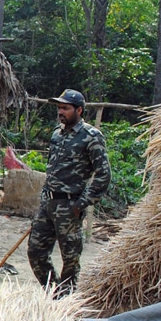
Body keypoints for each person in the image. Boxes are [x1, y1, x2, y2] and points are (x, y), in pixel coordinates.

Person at [27, 89, 111, 296]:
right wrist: (45, 198)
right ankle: (54, 293)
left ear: (79, 110)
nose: (60, 112)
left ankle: (66, 302)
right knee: (35, 252)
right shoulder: (57, 134)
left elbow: (104, 175)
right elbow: (53, 170)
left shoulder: (91, 137)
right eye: (59, 108)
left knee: (70, 259)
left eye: (65, 108)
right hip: (48, 204)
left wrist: (82, 203)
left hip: (70, 206)